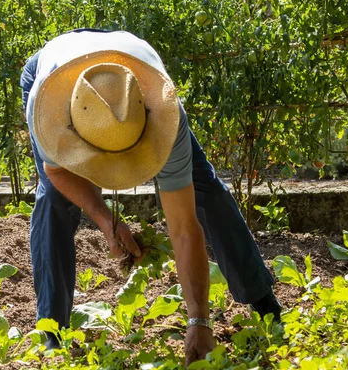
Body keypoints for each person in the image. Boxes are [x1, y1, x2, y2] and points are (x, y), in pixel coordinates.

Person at [19, 29, 282, 365]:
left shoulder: (162, 118)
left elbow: (184, 229)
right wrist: (105, 219)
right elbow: (57, 172)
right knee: (55, 201)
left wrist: (199, 319)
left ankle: (263, 302)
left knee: (205, 190)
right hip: (53, 69)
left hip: (126, 67)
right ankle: (52, 334)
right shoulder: (49, 115)